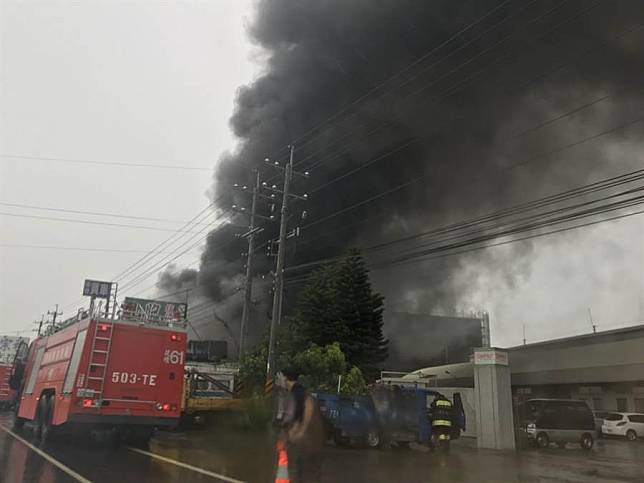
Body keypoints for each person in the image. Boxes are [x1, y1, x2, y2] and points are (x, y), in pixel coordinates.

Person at [279, 368, 325, 483]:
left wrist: (298, 431)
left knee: (304, 472)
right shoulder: (301, 392)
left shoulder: (297, 393)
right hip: (313, 442)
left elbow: (301, 412)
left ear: (285, 378)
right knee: (306, 471)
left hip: (307, 442)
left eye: (279, 377)